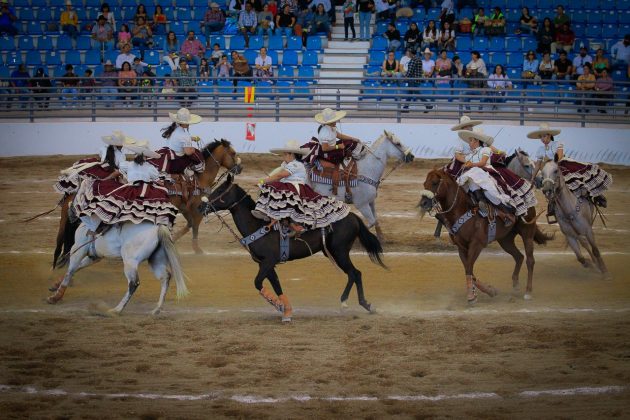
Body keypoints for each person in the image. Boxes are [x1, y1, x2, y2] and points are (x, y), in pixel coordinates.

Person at [74, 138, 178, 234]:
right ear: (146, 156)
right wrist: (163, 184)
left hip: (130, 189)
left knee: (117, 206)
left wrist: (104, 180)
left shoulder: (128, 165)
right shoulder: (151, 168)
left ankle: (101, 227)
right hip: (146, 190)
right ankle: (161, 227)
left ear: (135, 154)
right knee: (156, 205)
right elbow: (159, 182)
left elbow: (116, 174)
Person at [252, 140, 350, 235]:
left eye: (285, 154)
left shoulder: (296, 164)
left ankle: (271, 215)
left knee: (271, 188)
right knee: (278, 197)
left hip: (293, 188)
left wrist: (261, 181)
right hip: (289, 187)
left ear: (290, 154)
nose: (283, 157)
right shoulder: (290, 164)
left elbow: (280, 175)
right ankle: (273, 217)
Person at [528, 123, 612, 214]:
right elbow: (537, 165)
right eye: (541, 137)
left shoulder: (557, 144)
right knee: (547, 186)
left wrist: (552, 163)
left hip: (563, 165)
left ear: (549, 135)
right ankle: (552, 203)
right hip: (551, 170)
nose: (542, 139)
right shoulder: (540, 149)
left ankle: (597, 195)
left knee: (579, 179)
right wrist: (532, 177)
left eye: (544, 136)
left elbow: (559, 157)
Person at [454, 127, 518, 226]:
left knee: (490, 192)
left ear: (476, 140)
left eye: (470, 140)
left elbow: (483, 162)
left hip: (486, 173)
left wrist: (470, 165)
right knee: (468, 180)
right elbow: (460, 157)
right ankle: (480, 201)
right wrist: (461, 158)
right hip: (475, 178)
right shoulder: (470, 154)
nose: (469, 143)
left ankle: (507, 213)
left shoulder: (486, 149)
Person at [54, 131, 126, 198]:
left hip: (99, 168)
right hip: (111, 172)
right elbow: (119, 170)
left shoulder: (103, 148)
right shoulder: (121, 155)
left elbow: (101, 160)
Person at [153, 108, 205, 174]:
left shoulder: (174, 129)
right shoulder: (185, 135)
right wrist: (193, 150)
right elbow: (187, 152)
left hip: (170, 155)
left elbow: (178, 140)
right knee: (196, 153)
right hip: (177, 160)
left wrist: (191, 138)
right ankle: (194, 169)